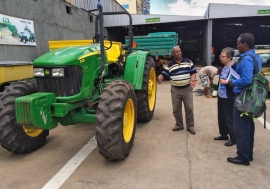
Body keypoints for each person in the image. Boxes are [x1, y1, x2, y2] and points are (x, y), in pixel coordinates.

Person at [220, 33, 262, 166]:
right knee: (249, 126)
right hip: (251, 97)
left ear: (245, 44)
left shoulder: (247, 59)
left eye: (238, 44)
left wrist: (232, 83)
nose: (237, 46)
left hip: (243, 97)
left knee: (241, 128)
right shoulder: (256, 57)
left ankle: (243, 157)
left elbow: (247, 79)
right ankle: (248, 154)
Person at [157, 46, 197, 134]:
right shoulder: (170, 65)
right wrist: (160, 77)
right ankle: (179, 125)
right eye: (176, 52)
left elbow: (193, 72)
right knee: (176, 109)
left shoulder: (188, 61)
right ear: (173, 54)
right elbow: (164, 73)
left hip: (187, 88)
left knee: (189, 108)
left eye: (179, 51)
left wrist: (193, 79)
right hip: (175, 90)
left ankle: (190, 126)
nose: (178, 52)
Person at [214, 47, 236, 146]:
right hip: (221, 95)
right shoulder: (224, 67)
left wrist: (227, 82)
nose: (221, 58)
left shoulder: (235, 67)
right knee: (221, 115)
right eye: (220, 56)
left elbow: (238, 81)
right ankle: (223, 134)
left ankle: (233, 137)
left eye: (223, 56)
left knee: (229, 117)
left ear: (230, 57)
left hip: (229, 96)